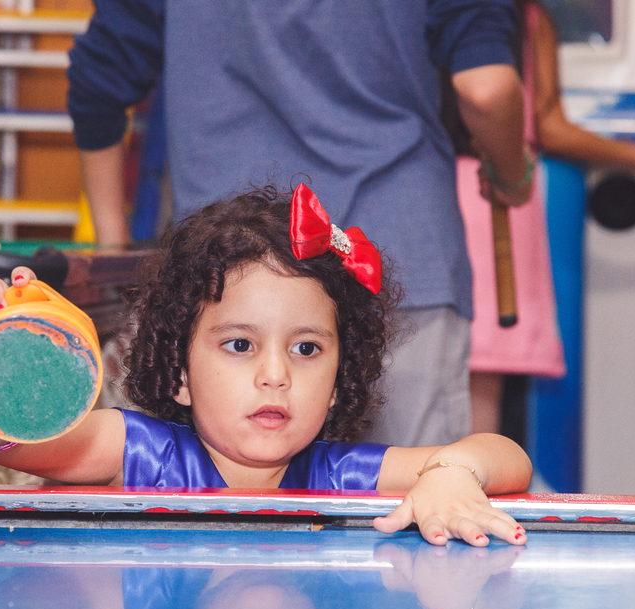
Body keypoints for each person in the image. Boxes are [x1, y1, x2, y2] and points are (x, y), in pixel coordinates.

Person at [0, 186, 532, 547]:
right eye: (239, 345)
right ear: (179, 373)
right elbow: (12, 445)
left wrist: (452, 472)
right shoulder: (142, 451)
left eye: (306, 350)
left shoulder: (340, 474)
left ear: (338, 382)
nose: (275, 374)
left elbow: (509, 459)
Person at [66, 0, 534, 448]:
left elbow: (101, 78)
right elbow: (486, 88)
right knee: (420, 488)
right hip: (397, 250)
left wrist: (114, 245)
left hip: (221, 277)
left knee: (201, 496)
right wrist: (512, 175)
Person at [454, 0, 635, 434]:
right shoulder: (527, 19)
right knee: (480, 388)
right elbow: (548, 126)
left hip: (429, 188)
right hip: (497, 195)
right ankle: (471, 476)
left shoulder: (421, 15)